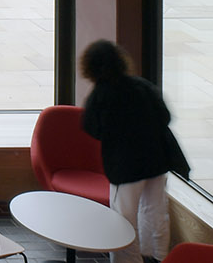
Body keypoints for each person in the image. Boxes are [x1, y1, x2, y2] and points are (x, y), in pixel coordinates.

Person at [80, 39, 190, 263]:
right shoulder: (142, 86)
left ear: (90, 67)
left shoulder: (100, 95)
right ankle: (159, 257)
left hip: (126, 167)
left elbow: (92, 127)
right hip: (156, 161)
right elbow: (165, 117)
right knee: (155, 213)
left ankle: (128, 261)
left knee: (123, 220)